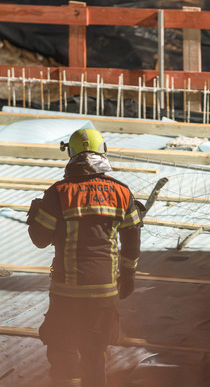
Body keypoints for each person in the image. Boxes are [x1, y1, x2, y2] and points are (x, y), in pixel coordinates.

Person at [27, 127, 143, 387]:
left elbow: (40, 240)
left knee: (61, 346)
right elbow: (132, 242)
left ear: (71, 154)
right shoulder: (122, 192)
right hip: (104, 290)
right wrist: (128, 277)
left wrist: (35, 215)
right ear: (104, 153)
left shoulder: (58, 193)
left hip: (67, 290)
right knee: (95, 352)